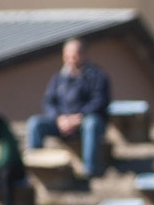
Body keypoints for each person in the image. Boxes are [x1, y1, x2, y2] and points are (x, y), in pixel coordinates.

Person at [26, 38, 110, 178]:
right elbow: (48, 101)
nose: (70, 58)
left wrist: (79, 117)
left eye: (74, 54)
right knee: (35, 124)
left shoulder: (97, 76)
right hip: (62, 121)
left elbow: (100, 101)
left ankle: (89, 170)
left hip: (84, 121)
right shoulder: (58, 78)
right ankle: (36, 169)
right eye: (67, 54)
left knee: (92, 124)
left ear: (84, 54)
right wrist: (58, 118)